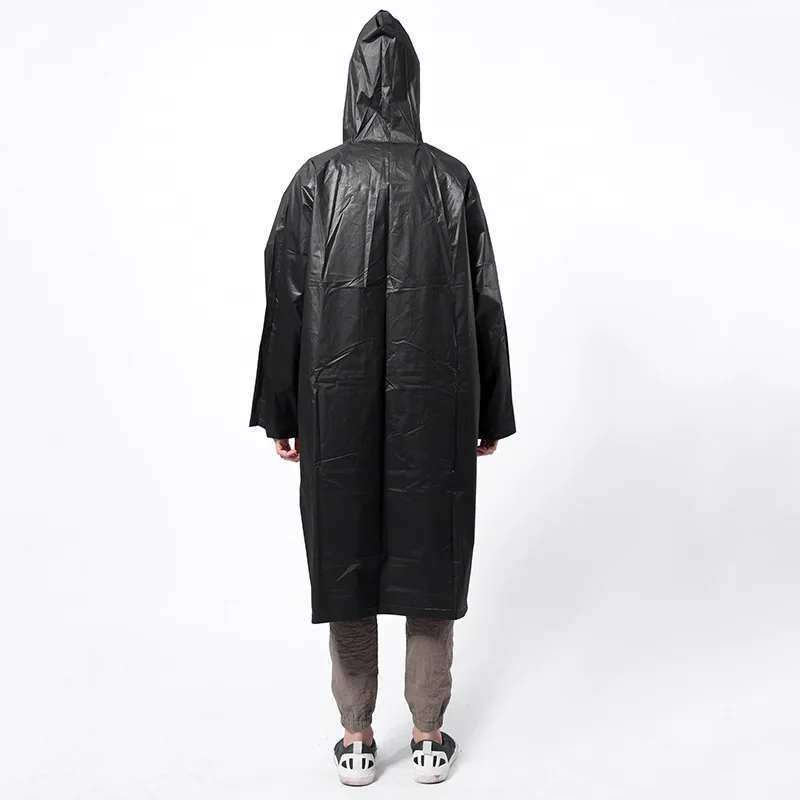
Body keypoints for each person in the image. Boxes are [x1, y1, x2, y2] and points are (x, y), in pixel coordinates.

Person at [249, 9, 515, 786]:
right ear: (413, 88)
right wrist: (489, 410)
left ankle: (357, 737)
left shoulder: (316, 180)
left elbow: (285, 298)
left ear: (352, 87)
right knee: (431, 557)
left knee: (348, 558)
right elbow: (485, 303)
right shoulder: (451, 180)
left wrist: (282, 409)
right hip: (437, 406)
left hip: (335, 406)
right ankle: (429, 736)